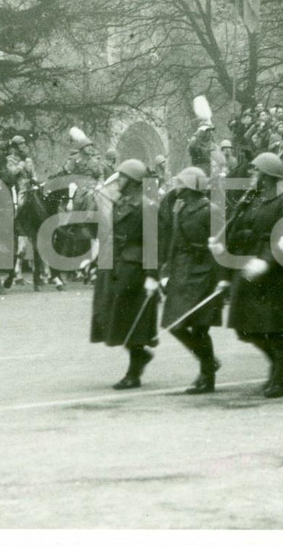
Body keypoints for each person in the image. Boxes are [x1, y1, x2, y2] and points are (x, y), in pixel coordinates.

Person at [212, 152, 283, 398]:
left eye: (256, 171)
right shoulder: (251, 200)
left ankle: (278, 375)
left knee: (276, 327)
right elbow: (241, 230)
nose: (251, 175)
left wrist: (267, 262)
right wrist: (224, 245)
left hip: (275, 271)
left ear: (269, 176)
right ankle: (278, 362)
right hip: (249, 263)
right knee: (245, 326)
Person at [90, 159, 159, 390]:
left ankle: (134, 371)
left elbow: (152, 242)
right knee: (115, 314)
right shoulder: (122, 201)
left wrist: (152, 274)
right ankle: (138, 359)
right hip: (118, 265)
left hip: (134, 268)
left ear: (131, 181)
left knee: (131, 318)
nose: (117, 180)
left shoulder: (146, 205)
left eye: (121, 177)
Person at [160, 167, 226, 394]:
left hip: (203, 273)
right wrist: (166, 273)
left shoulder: (211, 210)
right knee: (173, 324)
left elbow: (220, 248)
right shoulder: (179, 207)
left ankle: (207, 376)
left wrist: (222, 279)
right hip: (181, 271)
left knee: (199, 328)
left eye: (180, 183)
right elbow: (174, 242)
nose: (176, 186)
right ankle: (209, 362)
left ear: (190, 187)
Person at [6, 135, 38, 207]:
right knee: (20, 205)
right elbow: (13, 172)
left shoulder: (28, 159)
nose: (24, 145)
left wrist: (34, 179)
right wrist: (22, 163)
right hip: (18, 187)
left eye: (24, 143)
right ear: (15, 147)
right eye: (21, 144)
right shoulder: (9, 159)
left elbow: (34, 173)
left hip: (30, 186)